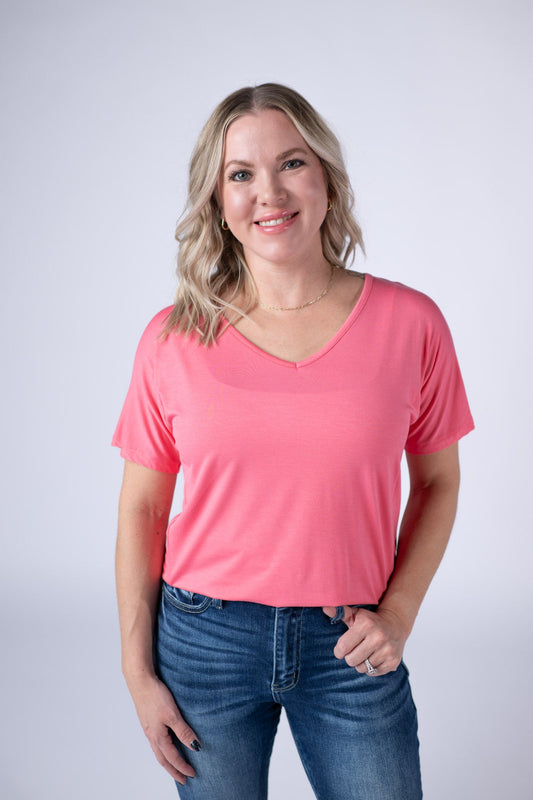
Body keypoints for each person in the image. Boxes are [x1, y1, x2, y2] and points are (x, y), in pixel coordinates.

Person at [112, 83, 474, 800]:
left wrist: (398, 614)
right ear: (218, 200)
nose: (269, 193)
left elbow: (438, 483)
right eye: (240, 173)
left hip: (351, 642)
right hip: (204, 642)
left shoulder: (411, 323)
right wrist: (136, 670)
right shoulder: (173, 338)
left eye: (292, 163)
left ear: (326, 181)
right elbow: (142, 510)